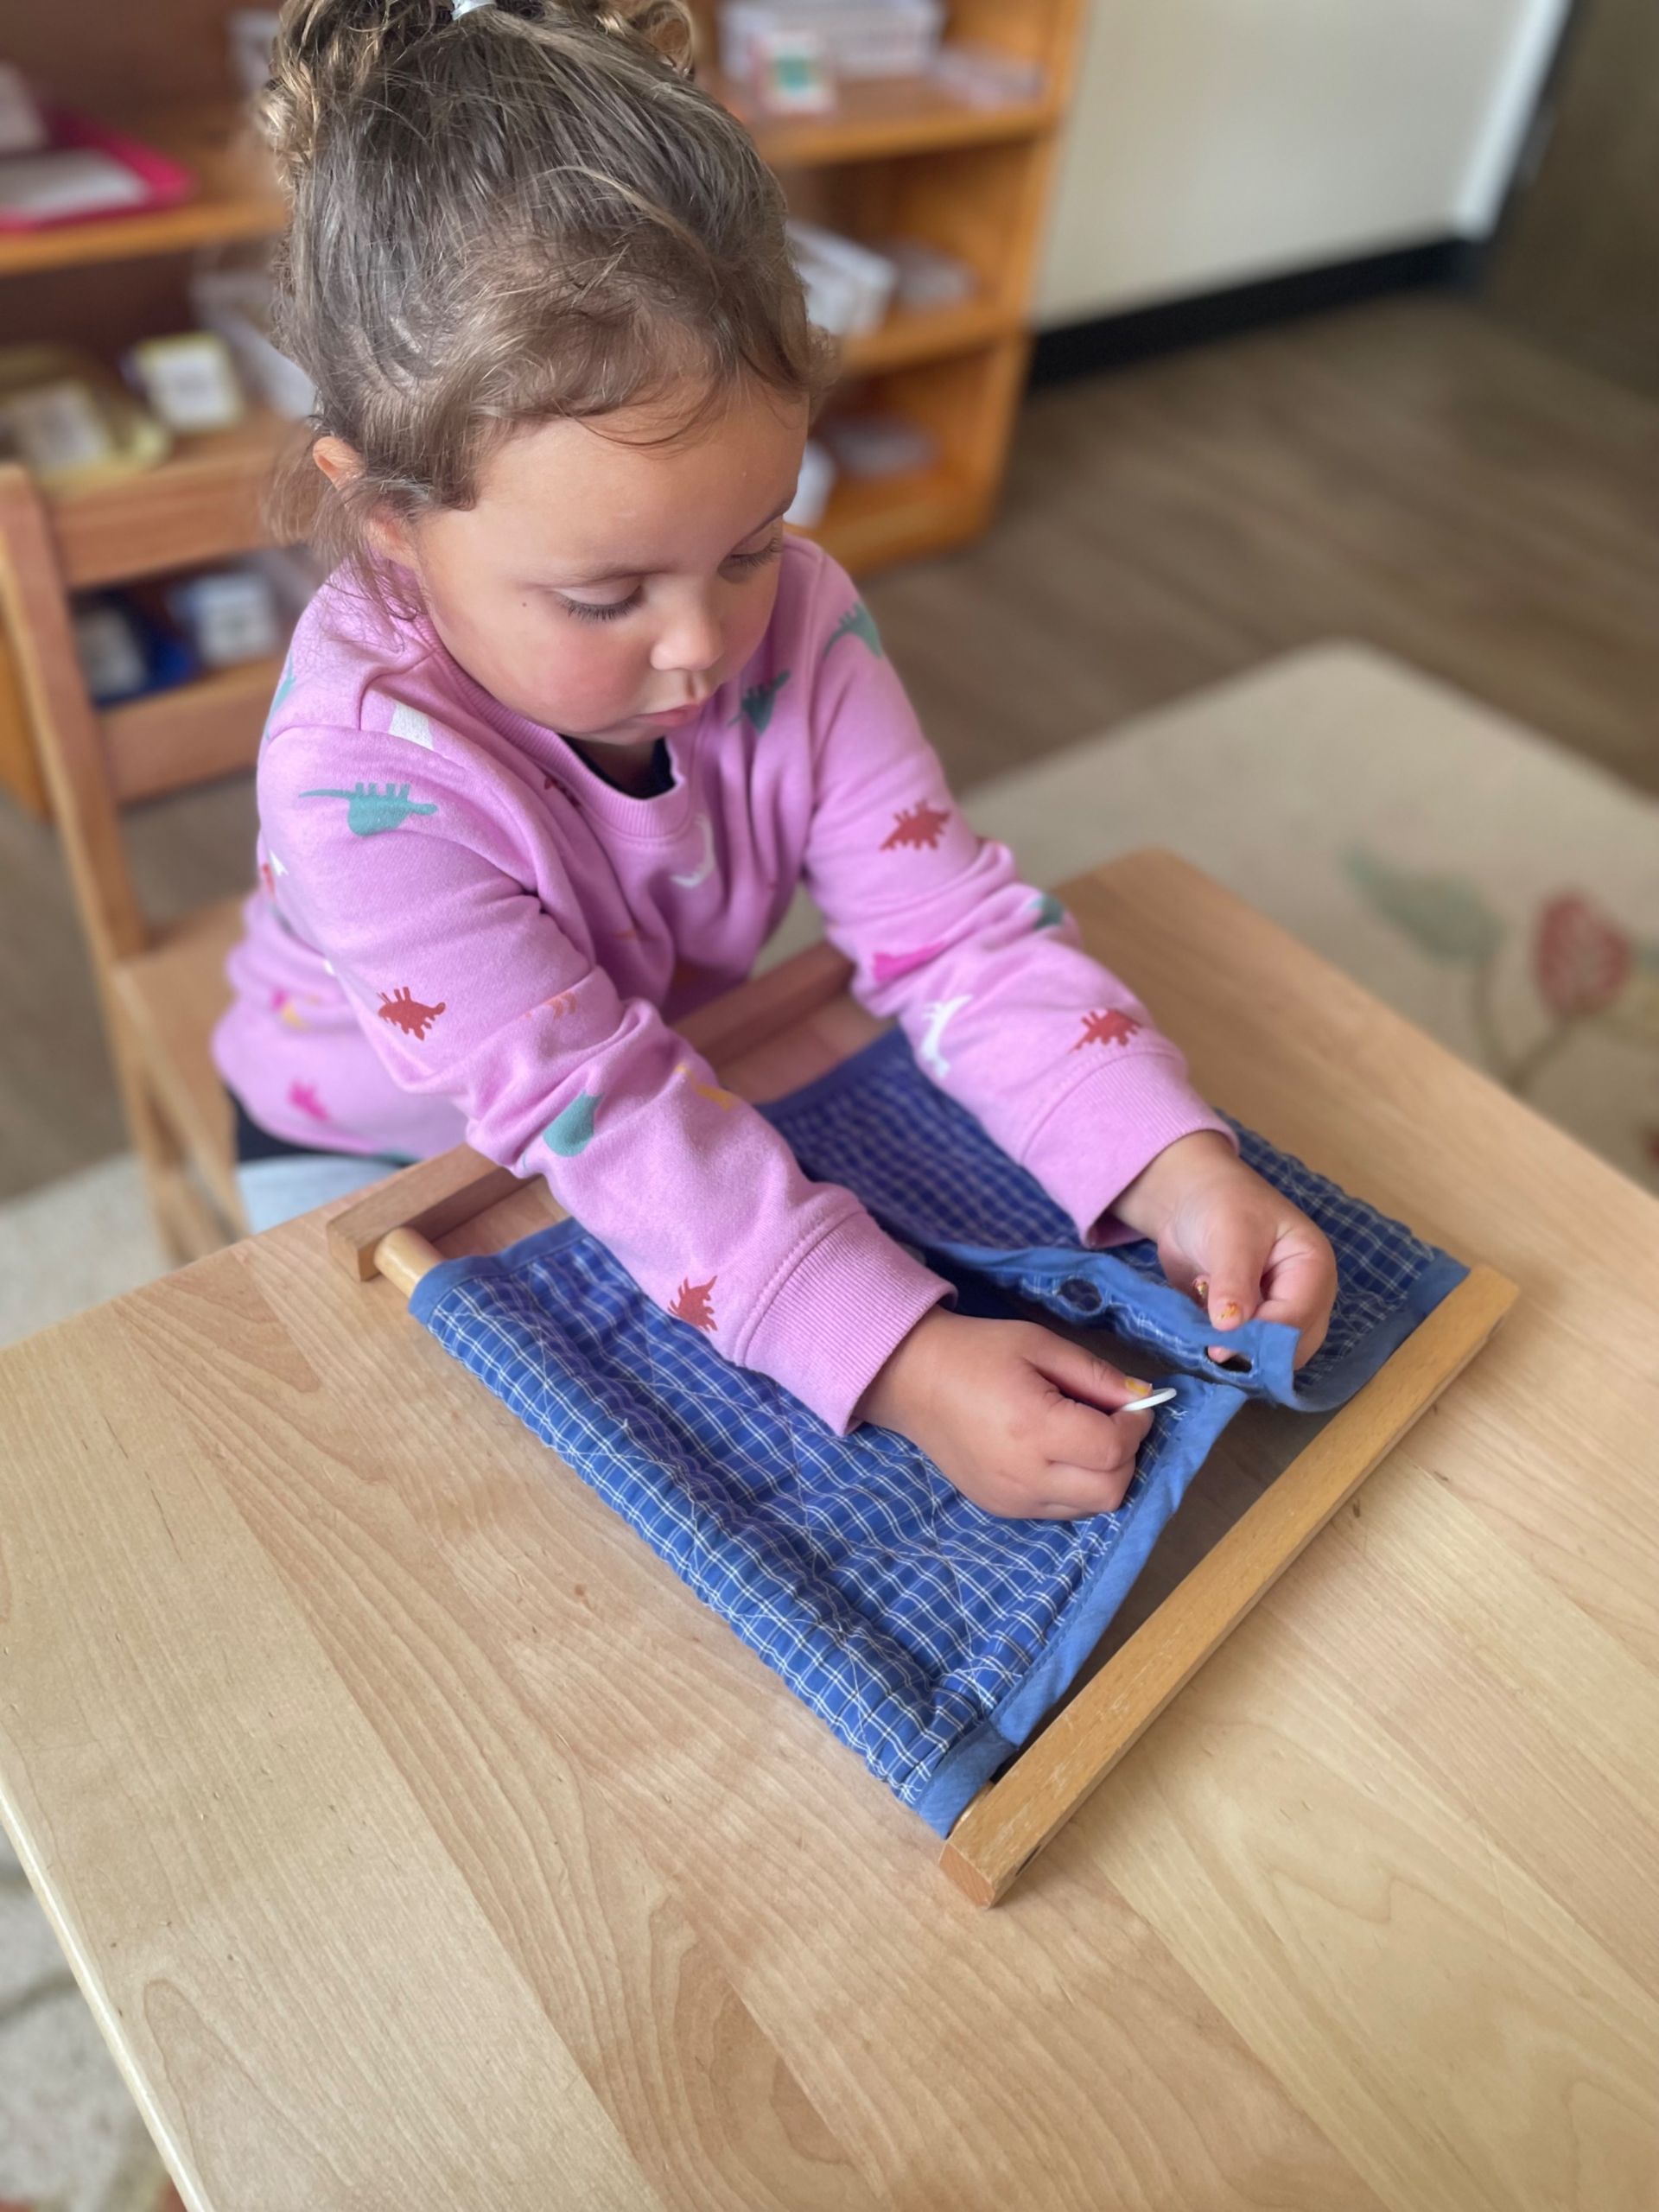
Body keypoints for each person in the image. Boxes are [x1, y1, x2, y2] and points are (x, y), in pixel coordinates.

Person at [214, 0, 1338, 1521]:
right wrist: (901, 1360)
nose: (702, 646)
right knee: (441, 1523)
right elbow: (600, 1110)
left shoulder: (803, 618)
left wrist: (1169, 1160)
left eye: (750, 543)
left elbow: (950, 934)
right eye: (604, 597)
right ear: (390, 521)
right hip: (369, 1154)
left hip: (676, 1069)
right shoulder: (354, 781)